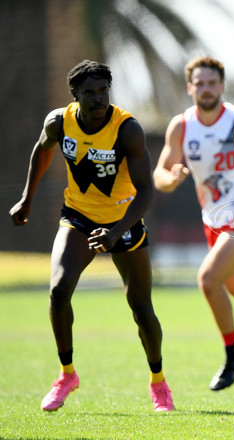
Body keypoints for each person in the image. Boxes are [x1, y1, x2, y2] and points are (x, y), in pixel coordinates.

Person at [9, 60, 174, 412]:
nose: (99, 99)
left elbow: (145, 193)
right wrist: (27, 198)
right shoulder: (59, 122)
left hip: (123, 221)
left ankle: (158, 382)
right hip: (78, 217)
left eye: (103, 91)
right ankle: (66, 374)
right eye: (90, 93)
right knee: (58, 290)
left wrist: (116, 232)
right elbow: (42, 149)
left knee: (142, 309)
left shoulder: (127, 129)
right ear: (75, 95)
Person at [153, 55, 234, 391]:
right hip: (214, 220)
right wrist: (171, 178)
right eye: (200, 83)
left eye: (212, 83)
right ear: (190, 87)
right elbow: (159, 174)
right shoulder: (181, 126)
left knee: (208, 279)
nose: (206, 89)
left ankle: (233, 353)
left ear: (222, 86)